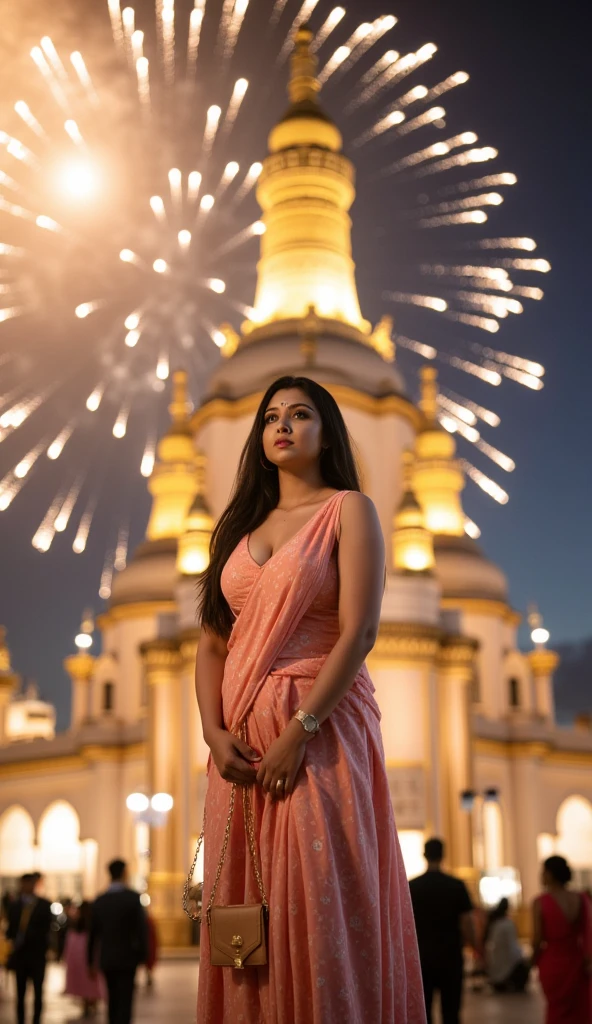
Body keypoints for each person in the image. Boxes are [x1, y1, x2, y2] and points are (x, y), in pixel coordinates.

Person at [194, 376, 426, 1023]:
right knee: (248, 914)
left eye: (300, 415)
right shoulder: (238, 528)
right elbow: (213, 644)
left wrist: (301, 729)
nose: (283, 425)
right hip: (238, 749)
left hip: (321, 734)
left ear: (327, 431)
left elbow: (360, 632)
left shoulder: (349, 510)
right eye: (272, 416)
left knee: (317, 894)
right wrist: (213, 734)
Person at [409, 838, 475, 1024]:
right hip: (451, 955)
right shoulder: (456, 885)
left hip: (422, 956)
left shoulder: (413, 886)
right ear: (443, 855)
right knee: (451, 1011)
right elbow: (467, 922)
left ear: (424, 855)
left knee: (424, 1009)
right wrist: (477, 947)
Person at [533, 854, 592, 1024]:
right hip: (576, 960)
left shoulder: (540, 902)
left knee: (556, 1010)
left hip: (552, 962)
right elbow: (587, 932)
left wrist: (533, 960)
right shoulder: (582, 899)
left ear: (550, 874)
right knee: (579, 1011)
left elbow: (537, 939)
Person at [87, 859, 148, 1024]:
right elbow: (141, 930)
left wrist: (90, 961)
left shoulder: (100, 901)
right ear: (124, 873)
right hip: (128, 957)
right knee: (126, 1000)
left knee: (112, 999)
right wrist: (144, 955)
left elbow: (93, 934)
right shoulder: (133, 899)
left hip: (107, 958)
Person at [5, 872, 52, 1024]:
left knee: (38, 993)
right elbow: (10, 930)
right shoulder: (14, 906)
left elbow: (47, 929)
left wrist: (29, 935)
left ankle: (36, 1020)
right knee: (20, 994)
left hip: (37, 955)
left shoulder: (44, 905)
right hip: (20, 956)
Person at [64, 901, 105, 1017]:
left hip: (82, 960)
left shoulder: (77, 927)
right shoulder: (90, 927)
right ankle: (90, 1003)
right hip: (88, 960)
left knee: (85, 983)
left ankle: (87, 1004)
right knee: (90, 983)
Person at [484, 897, 530, 992]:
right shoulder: (507, 924)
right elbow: (512, 946)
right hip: (506, 959)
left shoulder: (495, 923)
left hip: (497, 961)